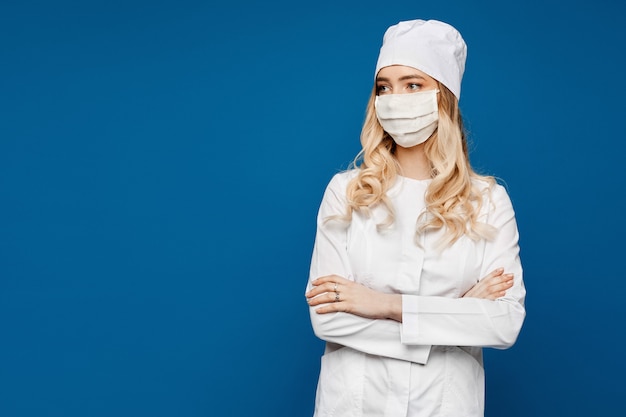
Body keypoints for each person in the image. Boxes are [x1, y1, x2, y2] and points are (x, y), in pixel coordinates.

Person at [304, 19, 526, 417]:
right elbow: (328, 321)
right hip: (354, 403)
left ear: (444, 97)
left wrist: (382, 305)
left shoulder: (488, 200)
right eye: (383, 87)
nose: (395, 98)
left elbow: (504, 323)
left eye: (413, 84)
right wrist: (453, 316)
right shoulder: (346, 192)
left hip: (445, 403)